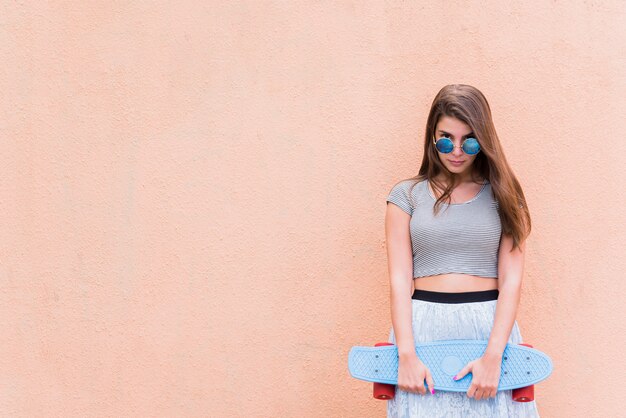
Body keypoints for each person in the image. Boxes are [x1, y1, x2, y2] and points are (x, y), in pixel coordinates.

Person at [384, 84, 541, 417]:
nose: (456, 151)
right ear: (431, 137)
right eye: (445, 139)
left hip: (488, 329)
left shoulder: (505, 196)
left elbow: (511, 281)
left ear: (483, 141)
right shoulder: (406, 196)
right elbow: (399, 280)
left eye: (469, 141)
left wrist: (494, 356)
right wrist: (406, 354)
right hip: (423, 328)